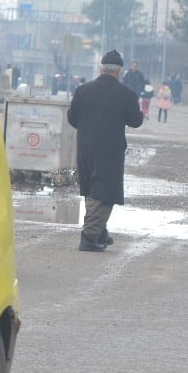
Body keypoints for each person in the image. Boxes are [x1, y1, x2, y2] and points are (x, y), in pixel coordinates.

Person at [66, 49, 143, 252]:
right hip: (109, 151)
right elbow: (135, 121)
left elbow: (72, 119)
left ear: (101, 68)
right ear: (119, 72)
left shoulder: (83, 90)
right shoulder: (126, 94)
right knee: (105, 192)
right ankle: (89, 237)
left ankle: (100, 232)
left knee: (92, 191)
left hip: (84, 148)